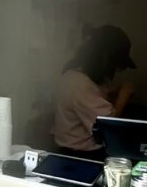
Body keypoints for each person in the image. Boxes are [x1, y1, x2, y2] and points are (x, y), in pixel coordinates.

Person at [53, 25, 136, 158]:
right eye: (116, 66)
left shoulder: (74, 74)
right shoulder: (80, 84)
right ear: (106, 58)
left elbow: (89, 100)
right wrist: (123, 96)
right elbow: (108, 127)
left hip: (70, 151)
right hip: (81, 156)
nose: (115, 71)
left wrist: (111, 93)